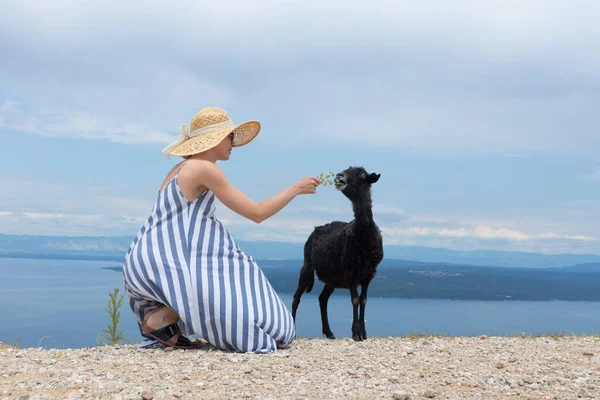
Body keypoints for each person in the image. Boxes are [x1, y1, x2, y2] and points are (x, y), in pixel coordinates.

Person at [122, 107, 320, 353]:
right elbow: (256, 213)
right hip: (169, 260)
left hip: (147, 258)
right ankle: (162, 320)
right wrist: (296, 188)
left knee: (232, 272)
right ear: (214, 139)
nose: (233, 143)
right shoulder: (204, 168)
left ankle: (162, 320)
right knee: (276, 324)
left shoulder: (180, 169)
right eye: (229, 137)